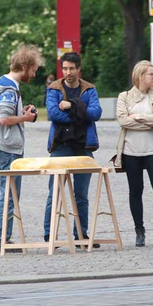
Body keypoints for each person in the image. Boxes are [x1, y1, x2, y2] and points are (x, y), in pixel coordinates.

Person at [0, 44, 43, 253]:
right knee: (9, 195)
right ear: (24, 67)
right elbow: (5, 119)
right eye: (33, 70)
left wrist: (21, 112)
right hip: (8, 148)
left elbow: (7, 114)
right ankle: (0, 240)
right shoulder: (9, 89)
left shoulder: (4, 84)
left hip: (5, 146)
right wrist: (25, 117)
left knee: (9, 194)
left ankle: (2, 239)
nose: (34, 75)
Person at [113, 60, 153, 247]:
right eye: (151, 74)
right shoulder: (124, 97)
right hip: (131, 151)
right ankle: (139, 231)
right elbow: (123, 121)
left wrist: (138, 117)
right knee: (135, 191)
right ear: (140, 76)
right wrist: (148, 120)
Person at [43, 52, 102, 246]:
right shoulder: (54, 88)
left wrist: (71, 106)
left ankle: (81, 235)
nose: (68, 72)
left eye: (71, 68)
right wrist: (80, 114)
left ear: (78, 69)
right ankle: (49, 234)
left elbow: (96, 113)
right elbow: (53, 114)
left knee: (81, 195)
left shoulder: (89, 89)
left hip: (84, 146)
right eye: (65, 68)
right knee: (54, 193)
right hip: (60, 146)